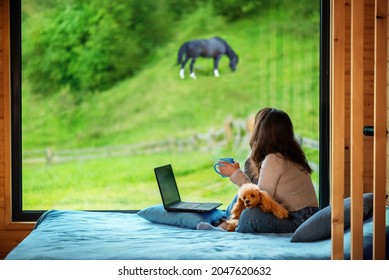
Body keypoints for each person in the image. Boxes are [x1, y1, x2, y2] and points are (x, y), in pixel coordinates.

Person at [197, 107, 319, 233]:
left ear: (260, 132)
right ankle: (224, 225)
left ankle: (227, 229)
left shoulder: (275, 158)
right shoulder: (286, 153)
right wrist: (253, 152)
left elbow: (259, 199)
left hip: (299, 219)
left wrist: (236, 174)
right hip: (297, 215)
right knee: (240, 197)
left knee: (250, 216)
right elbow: (254, 183)